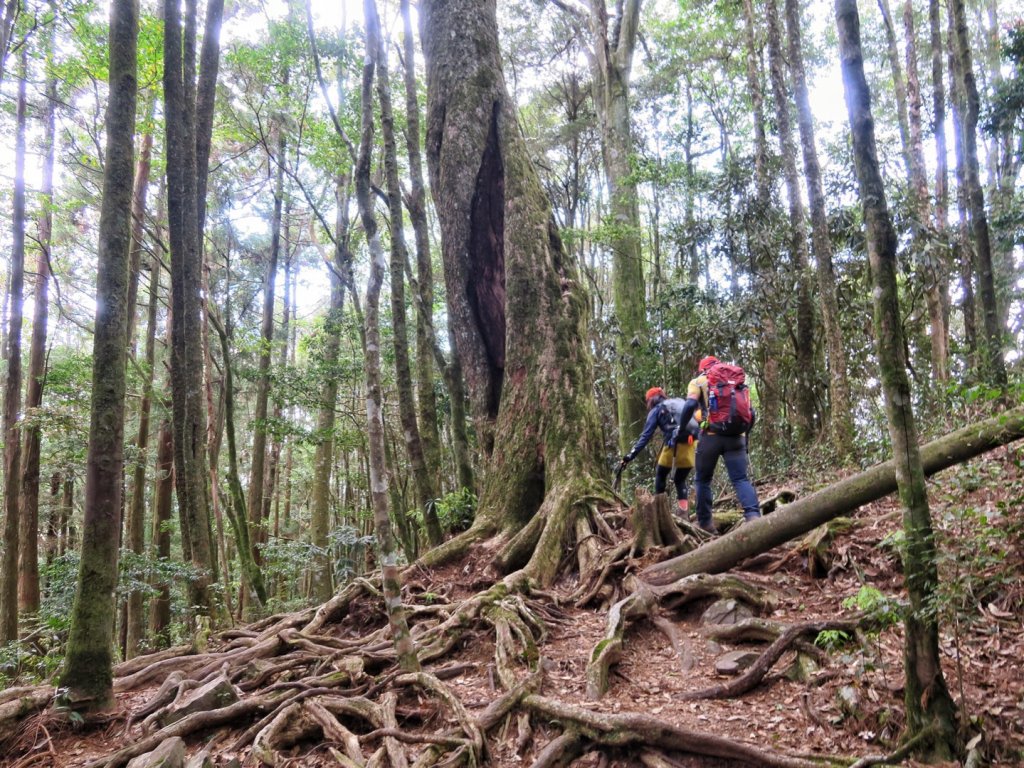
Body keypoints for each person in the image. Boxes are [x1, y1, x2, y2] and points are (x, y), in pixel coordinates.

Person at [671, 356, 761, 533]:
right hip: (737, 437)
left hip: (711, 436)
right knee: (740, 479)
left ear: (702, 369)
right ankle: (753, 516)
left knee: (703, 480)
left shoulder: (699, 381)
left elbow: (689, 404)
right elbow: (751, 413)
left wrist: (681, 428)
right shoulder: (736, 381)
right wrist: (745, 438)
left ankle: (706, 524)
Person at [621, 386, 701, 519]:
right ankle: (683, 512)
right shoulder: (679, 402)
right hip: (692, 443)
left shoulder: (657, 409)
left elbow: (646, 436)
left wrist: (630, 456)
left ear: (650, 400)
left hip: (674, 445)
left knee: (661, 474)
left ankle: (659, 512)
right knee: (680, 479)